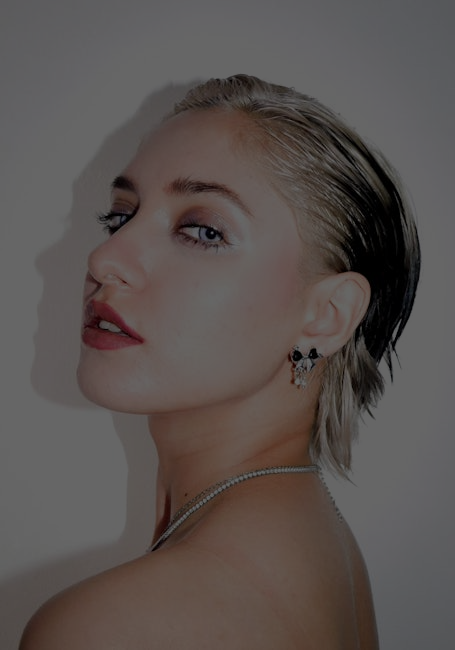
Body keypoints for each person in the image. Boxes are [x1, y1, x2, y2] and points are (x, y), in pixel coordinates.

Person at [20, 74, 420, 649]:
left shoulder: (111, 626)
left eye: (202, 231)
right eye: (120, 216)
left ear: (326, 315)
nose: (106, 258)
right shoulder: (313, 539)